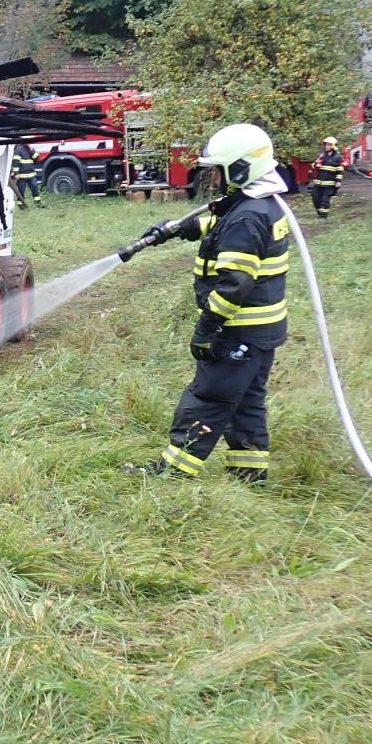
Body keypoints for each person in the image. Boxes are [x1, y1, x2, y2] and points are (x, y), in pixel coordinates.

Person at [124, 123, 290, 483]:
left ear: (241, 169)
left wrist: (207, 329)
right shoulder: (261, 205)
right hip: (263, 332)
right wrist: (185, 228)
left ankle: (173, 471)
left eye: (219, 170)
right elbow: (225, 227)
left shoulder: (247, 217)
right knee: (246, 402)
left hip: (239, 330)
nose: (214, 178)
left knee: (209, 397)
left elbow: (234, 284)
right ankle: (248, 473)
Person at [309, 136, 345, 218]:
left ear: (333, 146)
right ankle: (319, 212)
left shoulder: (337, 158)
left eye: (329, 145)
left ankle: (323, 216)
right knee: (315, 199)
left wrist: (338, 181)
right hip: (318, 183)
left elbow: (340, 170)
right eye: (326, 145)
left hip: (329, 184)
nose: (327, 146)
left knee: (325, 200)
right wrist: (316, 164)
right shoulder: (322, 156)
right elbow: (313, 166)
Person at [10, 141, 44, 209]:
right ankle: (21, 205)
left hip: (31, 175)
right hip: (21, 176)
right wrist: (16, 174)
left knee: (35, 189)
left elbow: (37, 159)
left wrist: (32, 150)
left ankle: (38, 203)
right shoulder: (18, 151)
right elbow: (15, 163)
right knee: (21, 191)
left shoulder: (30, 150)